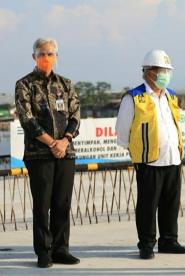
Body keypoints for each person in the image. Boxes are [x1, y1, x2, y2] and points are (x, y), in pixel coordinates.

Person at [116, 49, 185, 260]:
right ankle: (147, 244)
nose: (166, 74)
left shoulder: (171, 96)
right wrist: (134, 149)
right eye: (162, 70)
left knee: (171, 203)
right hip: (149, 159)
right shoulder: (134, 97)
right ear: (149, 71)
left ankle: (169, 240)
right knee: (148, 205)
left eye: (168, 70)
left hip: (173, 157)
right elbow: (123, 129)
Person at [15, 38, 81, 268]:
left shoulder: (66, 84)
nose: (46, 57)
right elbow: (27, 119)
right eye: (42, 53)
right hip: (39, 154)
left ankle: (61, 249)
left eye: (51, 53)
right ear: (34, 56)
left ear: (57, 57)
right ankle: (44, 251)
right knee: (43, 205)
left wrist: (64, 141)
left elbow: (75, 116)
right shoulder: (24, 84)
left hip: (66, 152)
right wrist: (52, 143)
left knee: (62, 203)